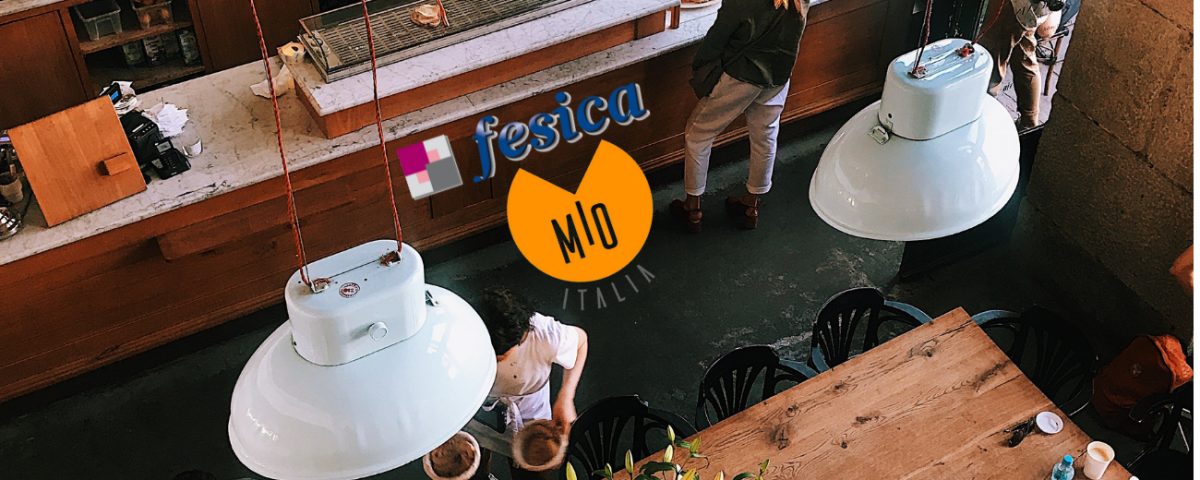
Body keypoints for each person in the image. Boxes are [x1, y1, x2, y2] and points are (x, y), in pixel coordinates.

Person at [670, 0, 809, 232]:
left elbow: (716, 40)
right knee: (765, 136)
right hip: (778, 76)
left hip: (740, 76)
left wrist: (699, 66)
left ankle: (692, 208)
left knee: (698, 135)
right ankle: (750, 206)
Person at [463, 288, 588, 480]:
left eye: (498, 358)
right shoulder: (462, 333)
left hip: (528, 415)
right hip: (478, 409)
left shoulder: (545, 335)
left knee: (531, 475)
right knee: (473, 466)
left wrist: (566, 396)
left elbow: (581, 342)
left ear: (522, 338)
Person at [975, 0, 1064, 130]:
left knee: (993, 59)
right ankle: (1029, 122)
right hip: (1031, 10)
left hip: (1016, 7)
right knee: (1024, 56)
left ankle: (981, 115)